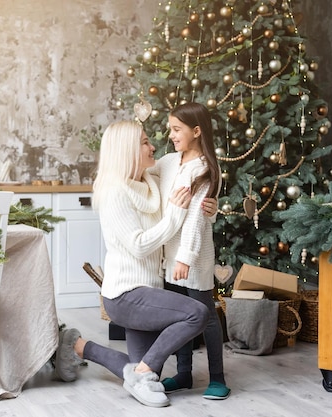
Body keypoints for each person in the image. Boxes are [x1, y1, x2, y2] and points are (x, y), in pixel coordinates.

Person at [54, 120, 211, 408]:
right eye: (144, 142)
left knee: (144, 368)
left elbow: (189, 173)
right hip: (126, 296)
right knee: (198, 314)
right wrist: (175, 214)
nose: (153, 146)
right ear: (127, 150)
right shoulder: (115, 192)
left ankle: (78, 345)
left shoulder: (150, 182)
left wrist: (208, 209)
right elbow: (139, 245)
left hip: (148, 293)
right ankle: (143, 373)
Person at [149, 102, 230, 400]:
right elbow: (145, 175)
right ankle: (184, 373)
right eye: (170, 129)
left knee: (205, 316)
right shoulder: (170, 162)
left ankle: (218, 378)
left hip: (193, 258)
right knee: (178, 317)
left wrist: (185, 258)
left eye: (176, 129)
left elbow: (196, 219)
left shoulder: (205, 169)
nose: (170, 135)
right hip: (169, 256)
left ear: (196, 131)